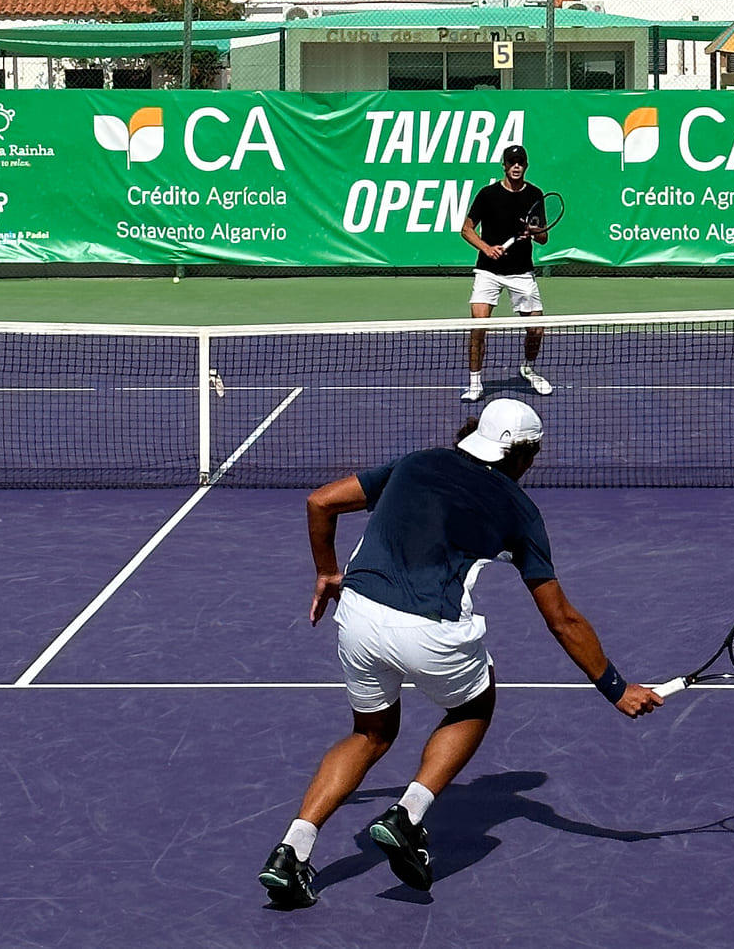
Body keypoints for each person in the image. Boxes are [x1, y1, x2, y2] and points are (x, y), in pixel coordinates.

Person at [258, 400, 662, 908]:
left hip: (357, 615)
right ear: (523, 455)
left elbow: (321, 502)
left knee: (370, 733)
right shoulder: (519, 510)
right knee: (475, 703)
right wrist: (616, 688)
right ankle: (406, 815)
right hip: (430, 633)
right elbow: (561, 618)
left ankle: (291, 853)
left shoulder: (417, 462)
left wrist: (326, 571)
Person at [461, 144, 552, 402]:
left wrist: (531, 230)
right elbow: (467, 229)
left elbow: (543, 237)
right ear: (504, 165)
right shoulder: (488, 194)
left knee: (536, 329)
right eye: (511, 162)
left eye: (520, 162)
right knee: (478, 325)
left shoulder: (534, 195)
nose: (515, 166)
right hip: (488, 271)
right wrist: (487, 249)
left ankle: (527, 368)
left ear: (525, 166)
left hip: (521, 272)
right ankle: (475, 382)